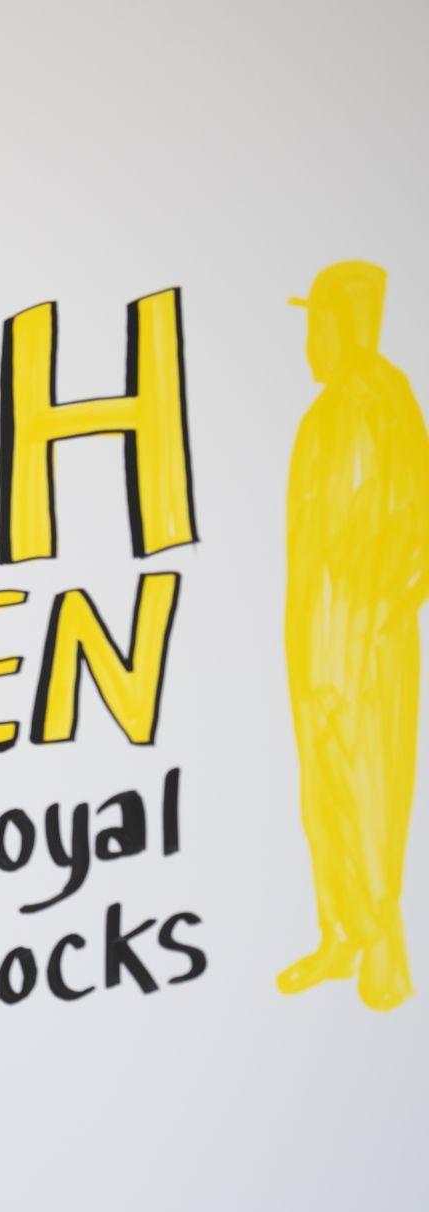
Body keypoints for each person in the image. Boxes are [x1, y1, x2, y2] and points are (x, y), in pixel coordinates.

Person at [279, 258, 428, 1011]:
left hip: (368, 644)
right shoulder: (321, 416)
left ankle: (385, 948)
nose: (311, 339)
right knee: (322, 791)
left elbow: (417, 534)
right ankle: (339, 933)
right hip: (313, 640)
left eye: (318, 323)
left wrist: (376, 618)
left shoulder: (388, 403)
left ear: (348, 324)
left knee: (372, 790)